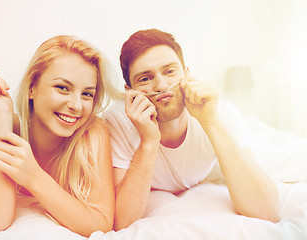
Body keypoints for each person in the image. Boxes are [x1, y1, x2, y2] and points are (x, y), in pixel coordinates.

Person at [101, 29, 280, 230]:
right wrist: (148, 143)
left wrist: (210, 122)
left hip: (211, 168)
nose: (161, 85)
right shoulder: (115, 121)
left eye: (169, 71)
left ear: (186, 74)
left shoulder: (220, 112)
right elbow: (122, 222)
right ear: (129, 91)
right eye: (145, 78)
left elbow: (268, 211)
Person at [0, 35, 115, 237]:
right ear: (32, 88)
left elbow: (100, 224)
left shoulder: (93, 133)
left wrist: (34, 177)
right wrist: (2, 114)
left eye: (87, 94)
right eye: (62, 88)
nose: (76, 105)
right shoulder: (0, 125)